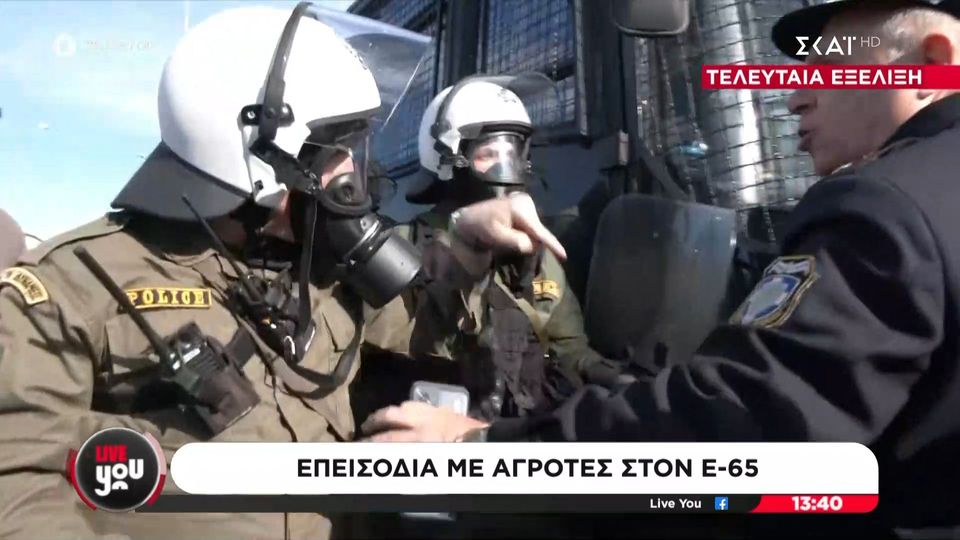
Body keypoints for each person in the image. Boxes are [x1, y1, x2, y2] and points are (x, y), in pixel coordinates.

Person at [362, 1, 960, 537]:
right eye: (488, 151)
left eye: (828, 67)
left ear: (931, 65)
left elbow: (740, 422)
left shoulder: (889, 206)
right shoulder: (410, 244)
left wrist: (492, 448)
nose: (794, 94)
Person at [0, 4, 565, 540]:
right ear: (256, 160)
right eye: (337, 148)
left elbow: (431, 330)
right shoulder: (73, 285)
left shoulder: (326, 268)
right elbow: (17, 484)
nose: (352, 172)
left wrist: (467, 240)